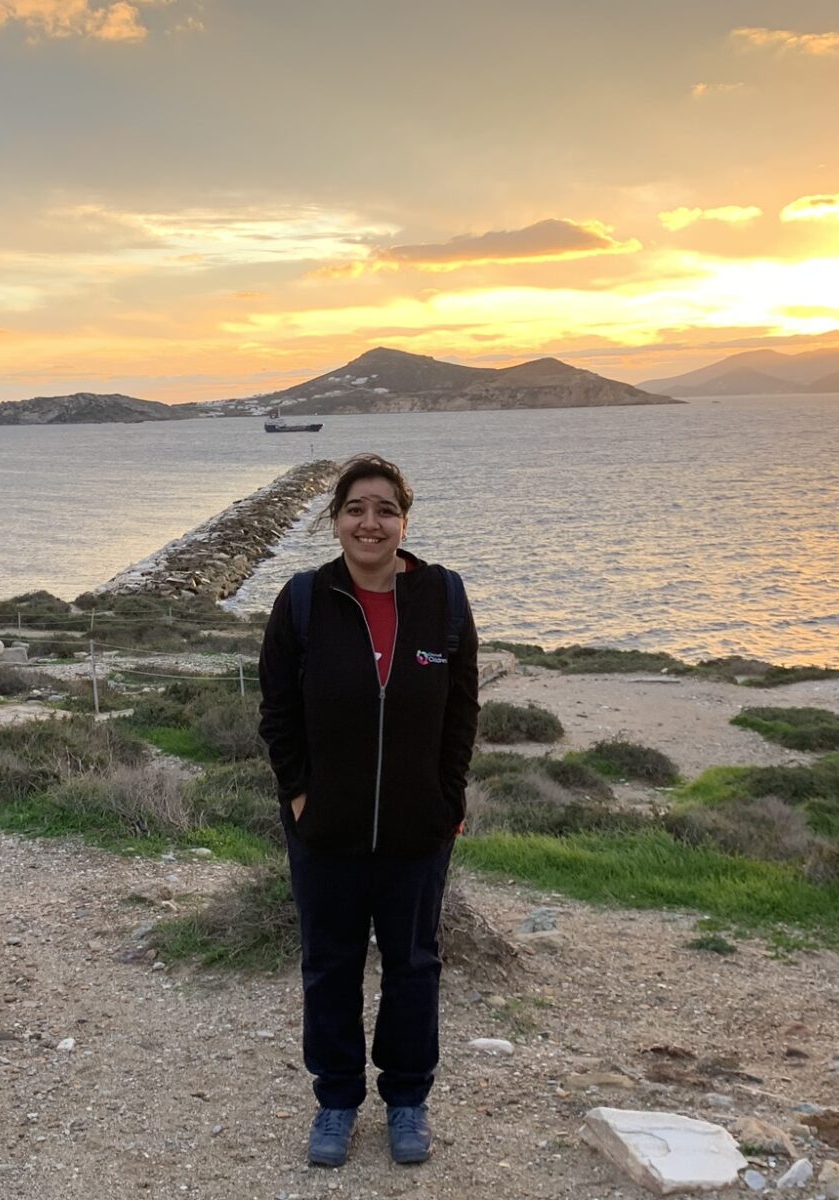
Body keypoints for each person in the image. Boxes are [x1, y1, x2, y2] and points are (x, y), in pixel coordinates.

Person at [256, 453, 479, 1168]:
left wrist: (448, 797)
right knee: (330, 966)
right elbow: (278, 712)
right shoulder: (302, 601)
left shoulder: (444, 598)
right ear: (335, 522)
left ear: (404, 521)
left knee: (414, 965)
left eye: (385, 509)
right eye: (356, 509)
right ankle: (337, 1100)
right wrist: (300, 795)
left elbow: (462, 710)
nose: (370, 523)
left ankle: (408, 1098)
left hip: (418, 829)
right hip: (326, 829)